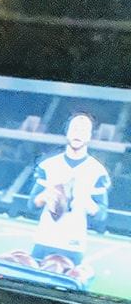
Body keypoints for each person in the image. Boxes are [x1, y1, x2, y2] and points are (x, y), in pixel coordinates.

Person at [29, 109, 111, 270]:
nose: (78, 134)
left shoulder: (98, 171)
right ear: (67, 132)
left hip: (74, 244)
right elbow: (32, 204)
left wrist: (86, 202)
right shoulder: (48, 165)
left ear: (90, 136)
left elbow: (102, 215)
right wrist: (48, 194)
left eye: (83, 131)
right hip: (44, 239)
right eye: (74, 129)